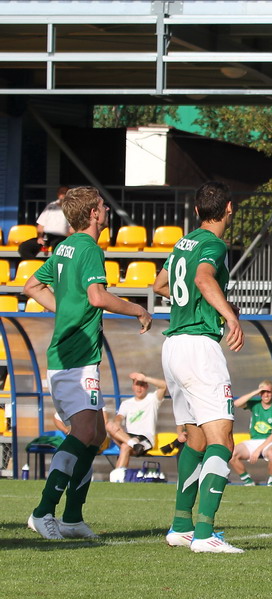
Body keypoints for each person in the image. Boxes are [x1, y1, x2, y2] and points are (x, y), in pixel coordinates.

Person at [23, 186, 152, 540]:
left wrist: (65, 311)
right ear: (93, 214)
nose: (106, 209)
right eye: (102, 205)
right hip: (75, 360)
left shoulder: (65, 247)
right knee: (82, 434)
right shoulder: (90, 248)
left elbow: (32, 286)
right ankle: (42, 511)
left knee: (95, 435)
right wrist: (138, 308)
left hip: (75, 357)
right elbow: (98, 296)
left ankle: (73, 517)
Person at [153, 180, 245, 553]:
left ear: (195, 211)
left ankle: (180, 526)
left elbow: (161, 284)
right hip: (198, 346)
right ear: (229, 209)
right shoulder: (213, 244)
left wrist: (189, 302)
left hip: (172, 345)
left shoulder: (183, 242)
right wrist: (230, 316)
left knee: (195, 438)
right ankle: (205, 535)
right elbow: (203, 277)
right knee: (222, 439)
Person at [107, 371, 169, 483]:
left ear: (146, 386)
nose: (139, 388)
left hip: (144, 438)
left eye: (142, 384)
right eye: (137, 384)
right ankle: (133, 444)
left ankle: (116, 481)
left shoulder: (152, 399)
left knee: (125, 447)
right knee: (109, 425)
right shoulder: (126, 403)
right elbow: (119, 417)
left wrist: (145, 378)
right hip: (128, 437)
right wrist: (116, 423)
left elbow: (164, 385)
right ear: (133, 386)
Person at [230, 380, 272, 487]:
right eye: (263, 392)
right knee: (232, 454)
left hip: (270, 441)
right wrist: (256, 392)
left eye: (268, 392)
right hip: (253, 441)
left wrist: (258, 450)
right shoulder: (255, 404)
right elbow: (236, 403)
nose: (266, 394)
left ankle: (271, 483)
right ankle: (248, 482)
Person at [19, 186, 74, 258]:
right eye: (61, 192)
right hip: (46, 237)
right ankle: (36, 266)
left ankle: (55, 268)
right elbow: (41, 225)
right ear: (58, 194)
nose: (63, 194)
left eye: (65, 192)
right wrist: (40, 237)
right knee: (24, 247)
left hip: (62, 237)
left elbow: (73, 229)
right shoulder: (51, 206)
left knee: (58, 248)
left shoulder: (72, 208)